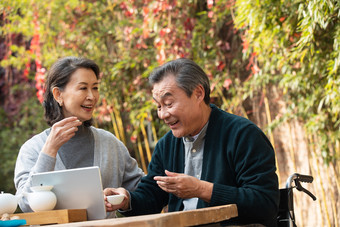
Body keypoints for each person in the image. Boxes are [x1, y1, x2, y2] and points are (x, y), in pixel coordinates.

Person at [104, 58, 279, 226]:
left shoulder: (242, 135)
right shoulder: (166, 146)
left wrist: (202, 189)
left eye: (169, 103)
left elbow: (264, 203)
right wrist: (127, 200)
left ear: (198, 93)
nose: (163, 114)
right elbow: (151, 196)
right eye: (158, 106)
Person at [14, 56, 144, 217]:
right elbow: (26, 205)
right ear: (58, 94)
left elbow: (144, 192)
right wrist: (49, 150)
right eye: (83, 88)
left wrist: (126, 198)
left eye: (95, 88)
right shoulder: (33, 149)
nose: (92, 96)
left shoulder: (110, 143)